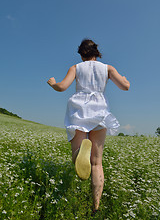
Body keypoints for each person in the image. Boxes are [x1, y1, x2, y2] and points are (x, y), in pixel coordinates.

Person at [47, 39, 130, 213]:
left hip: (79, 110)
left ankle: (80, 154)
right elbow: (125, 87)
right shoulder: (107, 68)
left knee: (77, 159)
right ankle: (96, 206)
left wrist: (53, 83)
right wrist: (125, 80)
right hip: (99, 111)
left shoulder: (76, 68)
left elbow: (62, 87)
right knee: (97, 164)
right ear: (96, 52)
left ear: (81, 54)